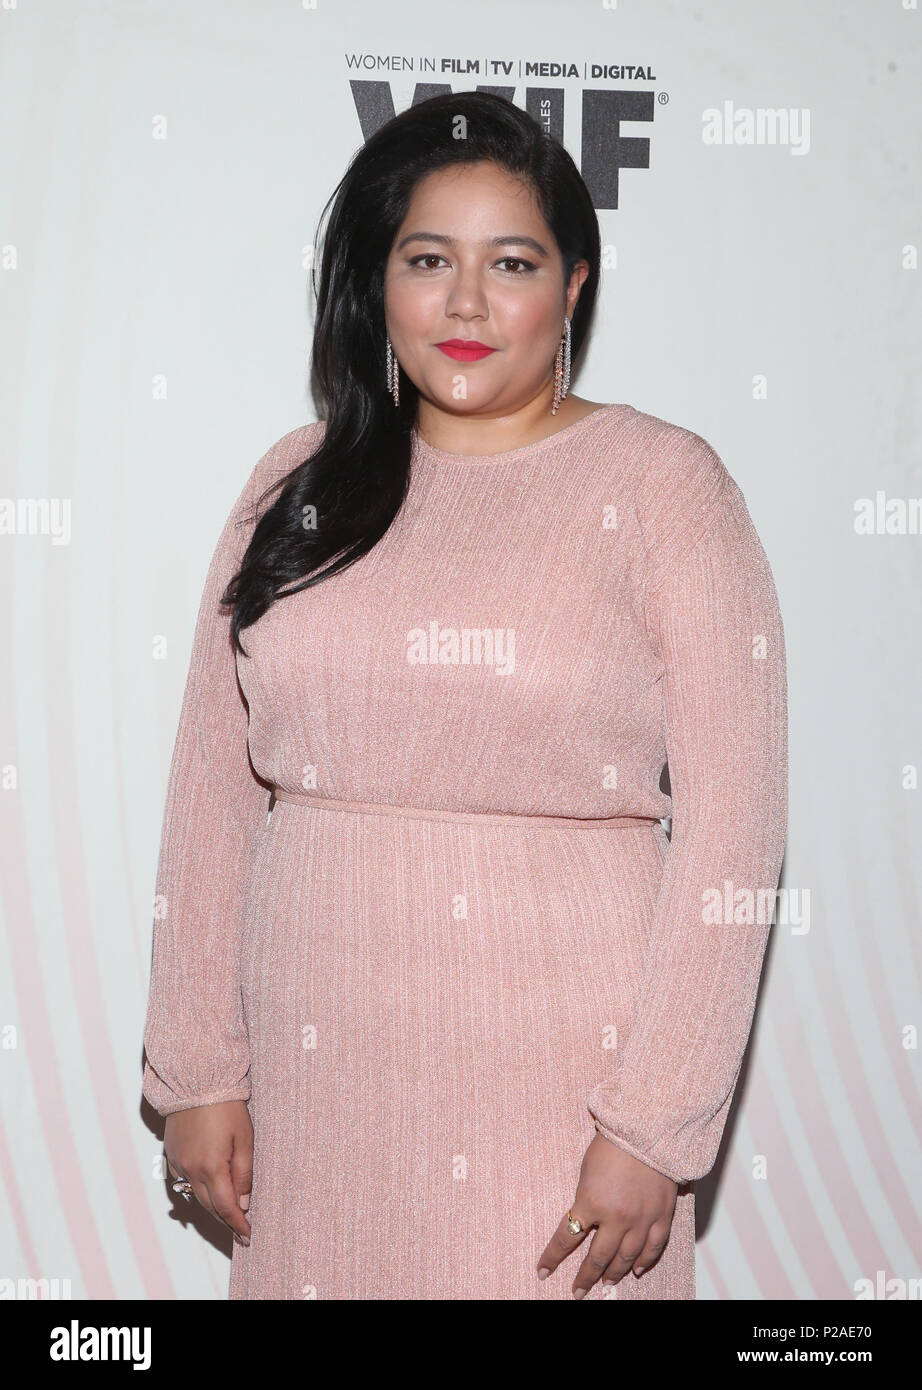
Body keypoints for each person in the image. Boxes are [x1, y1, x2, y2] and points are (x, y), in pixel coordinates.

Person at [142, 91, 787, 1300]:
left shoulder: (664, 486)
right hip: (314, 1075)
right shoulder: (297, 481)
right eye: (428, 259)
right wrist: (195, 1068)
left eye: (514, 262)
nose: (469, 303)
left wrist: (653, 1126)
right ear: (375, 282)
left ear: (574, 287)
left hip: (564, 1081)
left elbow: (735, 834)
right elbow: (211, 792)